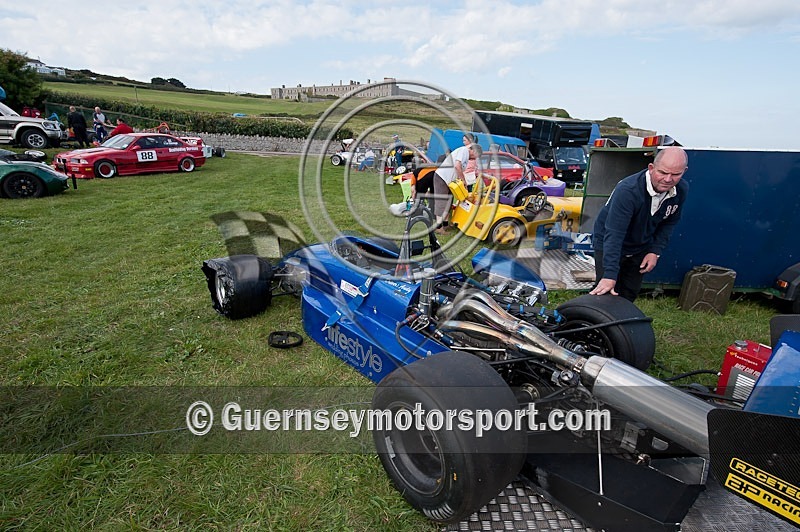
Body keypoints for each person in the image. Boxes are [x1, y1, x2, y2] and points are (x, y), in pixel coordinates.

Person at [589, 146, 689, 302]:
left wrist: (654, 251)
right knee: (606, 292)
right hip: (610, 240)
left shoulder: (681, 189)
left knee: (630, 291)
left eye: (676, 174)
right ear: (651, 168)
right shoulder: (628, 191)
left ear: (684, 171)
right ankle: (594, 314)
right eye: (662, 172)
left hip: (641, 244)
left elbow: (670, 222)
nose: (668, 179)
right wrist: (609, 274)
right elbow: (615, 233)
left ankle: (623, 316)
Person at [432, 134, 482, 233]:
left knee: (449, 201)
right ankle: (438, 228)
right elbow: (457, 166)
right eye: (475, 157)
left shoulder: (466, 156)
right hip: (442, 178)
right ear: (474, 151)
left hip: (450, 181)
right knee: (441, 202)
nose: (474, 159)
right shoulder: (464, 151)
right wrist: (463, 180)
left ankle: (445, 224)